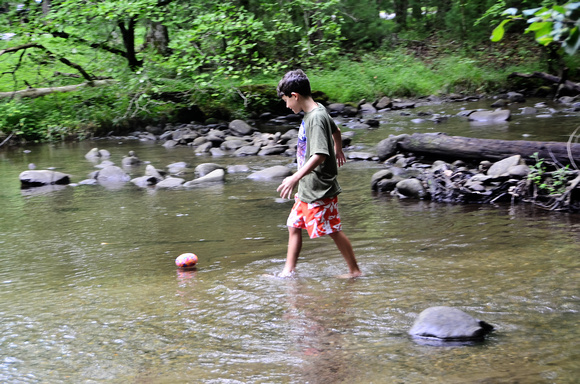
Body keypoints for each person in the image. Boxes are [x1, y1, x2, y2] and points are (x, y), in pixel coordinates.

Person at [276, 69, 361, 278]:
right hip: (308, 187)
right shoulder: (318, 110)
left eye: (286, 100)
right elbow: (337, 131)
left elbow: (320, 155)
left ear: (295, 96)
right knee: (293, 225)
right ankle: (288, 271)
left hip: (319, 188)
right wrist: (338, 148)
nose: (287, 106)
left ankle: (354, 271)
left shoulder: (315, 118)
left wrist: (295, 177)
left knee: (332, 229)